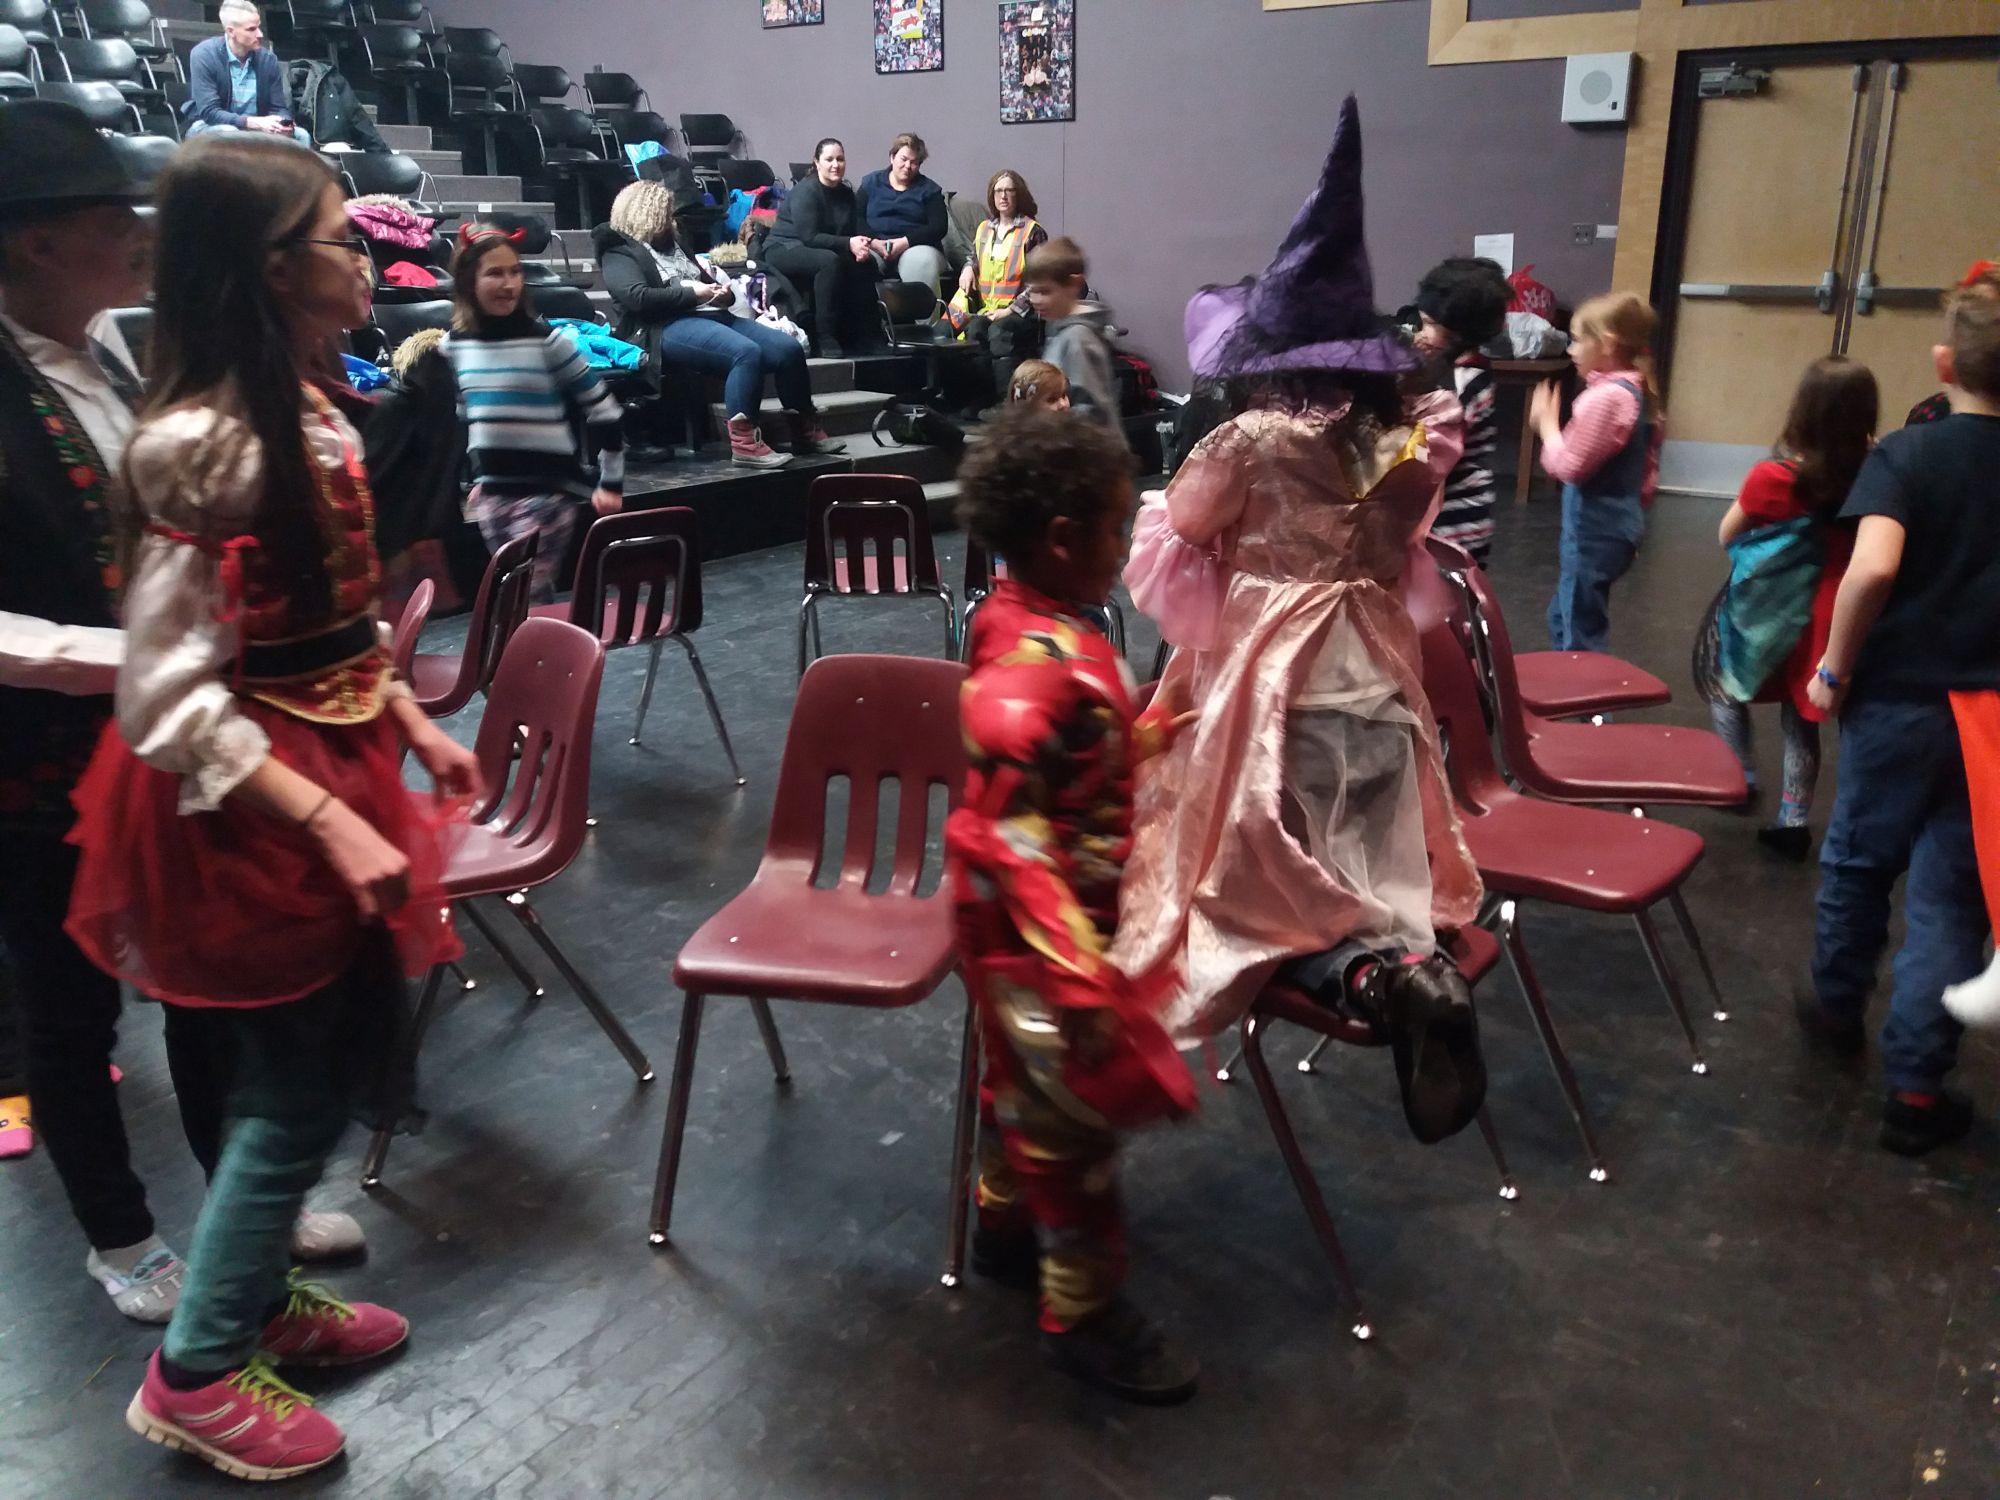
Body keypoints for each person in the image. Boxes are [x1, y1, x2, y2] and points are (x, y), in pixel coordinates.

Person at [62, 134, 479, 1480]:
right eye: (341, 239)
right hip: (247, 796)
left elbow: (332, 620)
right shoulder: (202, 445)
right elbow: (164, 697)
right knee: (292, 1090)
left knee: (309, 1067)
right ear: (271, 267)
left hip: (320, 760)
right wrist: (329, 817)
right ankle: (194, 1370)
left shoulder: (305, 408)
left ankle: (254, 1302)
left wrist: (410, 719)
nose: (366, 260)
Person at [0, 102, 366, 1320]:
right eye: (115, 219)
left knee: (208, 985)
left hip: (166, 737)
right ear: (38, 241)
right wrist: (137, 661)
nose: (139, 239)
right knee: (69, 1011)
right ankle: (121, 1237)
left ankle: (240, 1213)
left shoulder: (113, 350)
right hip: (40, 755)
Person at [1114, 97, 1488, 1145]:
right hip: (1376, 668)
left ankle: (1373, 982)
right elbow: (1400, 545)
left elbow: (1182, 529)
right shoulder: (1413, 442)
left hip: (1273, 676)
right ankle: (1405, 967)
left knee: (1258, 871)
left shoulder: (1249, 441)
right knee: (1365, 856)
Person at [947, 404, 1201, 1405]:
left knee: (1016, 1088)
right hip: (1034, 937)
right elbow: (1009, 838)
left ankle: (1002, 1222)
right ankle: (1083, 1313)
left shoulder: (1029, 625)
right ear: (1063, 538)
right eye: (1113, 527)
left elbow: (1062, 773)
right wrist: (1079, 975)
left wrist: (1141, 736)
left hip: (1029, 928)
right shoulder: (1034, 671)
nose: (1124, 546)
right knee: (1072, 1126)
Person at [1800, 274, 2000, 1156]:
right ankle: (1916, 1090)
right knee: (1953, 897)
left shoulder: (1908, 455)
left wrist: (1834, 668)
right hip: (1990, 716)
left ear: (1944, 363)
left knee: (1858, 859)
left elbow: (1873, 569)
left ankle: (1837, 1008)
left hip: (1897, 704)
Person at [1700, 356, 1878, 861]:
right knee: (1801, 718)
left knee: (1725, 685)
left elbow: (1727, 534)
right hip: (1831, 612)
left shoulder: (1772, 477)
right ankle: (1794, 819)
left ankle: (1738, 775)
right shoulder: (1875, 474)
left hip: (1770, 609)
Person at [594, 179, 839, 468]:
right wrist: (693, 294)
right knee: (745, 353)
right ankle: (745, 444)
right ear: (646, 213)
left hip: (711, 314)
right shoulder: (618, 250)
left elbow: (705, 281)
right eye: (665, 212)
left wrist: (723, 294)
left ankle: (804, 429)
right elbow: (638, 298)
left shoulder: (673, 243)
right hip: (663, 325)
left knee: (788, 349)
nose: (670, 218)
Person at [445, 223, 624, 602]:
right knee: (516, 596)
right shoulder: (454, 346)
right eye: (495, 273)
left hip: (548, 492)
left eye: (515, 272)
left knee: (526, 593)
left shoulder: (547, 342)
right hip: (494, 495)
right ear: (468, 282)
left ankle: (542, 641)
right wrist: (479, 474)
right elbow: (468, 415)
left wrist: (610, 482)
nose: (509, 283)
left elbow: (605, 409)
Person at [1529, 291, 1663, 652]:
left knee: (1578, 630)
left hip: (1593, 533)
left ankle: (1584, 687)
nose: (1571, 350)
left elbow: (1569, 467)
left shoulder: (1606, 399)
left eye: (1577, 340)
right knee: (1564, 615)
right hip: (1612, 530)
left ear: (1606, 343)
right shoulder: (1633, 389)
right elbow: (1646, 475)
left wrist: (1547, 427)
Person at [1408, 257, 1512, 564]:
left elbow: (1432, 455)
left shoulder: (1464, 383)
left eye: (1430, 325)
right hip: (1450, 514)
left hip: (1453, 521)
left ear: (1459, 330)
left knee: (1444, 592)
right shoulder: (1458, 372)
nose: (1421, 334)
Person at [764, 138, 884, 359]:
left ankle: (868, 336)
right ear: (817, 162)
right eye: (829, 159)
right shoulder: (806, 191)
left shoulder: (846, 193)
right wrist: (849, 244)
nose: (835, 165)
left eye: (840, 159)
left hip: (820, 246)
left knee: (866, 264)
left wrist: (862, 246)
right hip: (784, 247)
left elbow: (852, 229)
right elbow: (809, 237)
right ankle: (824, 336)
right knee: (828, 262)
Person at [955, 170, 1049, 401]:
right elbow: (975, 256)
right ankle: (980, 400)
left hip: (1021, 313)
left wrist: (1009, 310)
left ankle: (1005, 404)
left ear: (1019, 194)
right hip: (989, 309)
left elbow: (1040, 280)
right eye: (998, 191)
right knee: (974, 330)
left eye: (1009, 190)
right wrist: (968, 268)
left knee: (1000, 333)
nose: (1003, 196)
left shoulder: (1032, 232)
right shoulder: (984, 229)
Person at [1026, 236, 1124, 446]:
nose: (1035, 300)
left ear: (1074, 284)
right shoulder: (1061, 332)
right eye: (1032, 291)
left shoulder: (1077, 339)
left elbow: (1088, 416)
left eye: (1044, 291)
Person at [183, 1, 311, 147]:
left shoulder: (267, 59)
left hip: (255, 126)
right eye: (251, 29)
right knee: (230, 132)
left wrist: (285, 123)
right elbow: (210, 112)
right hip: (208, 125)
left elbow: (278, 107)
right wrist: (252, 122)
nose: (260, 34)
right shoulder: (205, 54)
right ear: (231, 32)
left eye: (259, 27)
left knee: (301, 135)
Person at [853, 133, 949, 293]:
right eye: (903, 159)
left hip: (915, 247)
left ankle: (924, 310)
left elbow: (939, 226)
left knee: (920, 262)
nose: (907, 166)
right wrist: (874, 243)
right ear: (892, 157)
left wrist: (905, 242)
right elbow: (856, 217)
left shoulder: (929, 190)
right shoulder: (870, 183)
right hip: (874, 246)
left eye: (914, 162)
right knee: (856, 261)